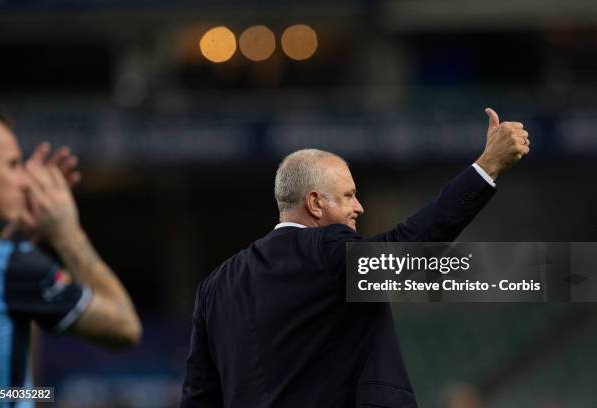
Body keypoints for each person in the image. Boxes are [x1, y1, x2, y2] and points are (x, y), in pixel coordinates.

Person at [180, 108, 530, 407]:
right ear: (315, 203)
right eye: (348, 196)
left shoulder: (215, 287)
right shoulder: (327, 251)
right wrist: (488, 166)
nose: (359, 207)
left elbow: (199, 397)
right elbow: (409, 245)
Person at [0, 102, 142, 393]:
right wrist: (66, 231)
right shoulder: (9, 266)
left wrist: (15, 241)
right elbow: (125, 327)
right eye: (12, 164)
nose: (25, 181)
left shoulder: (5, 267)